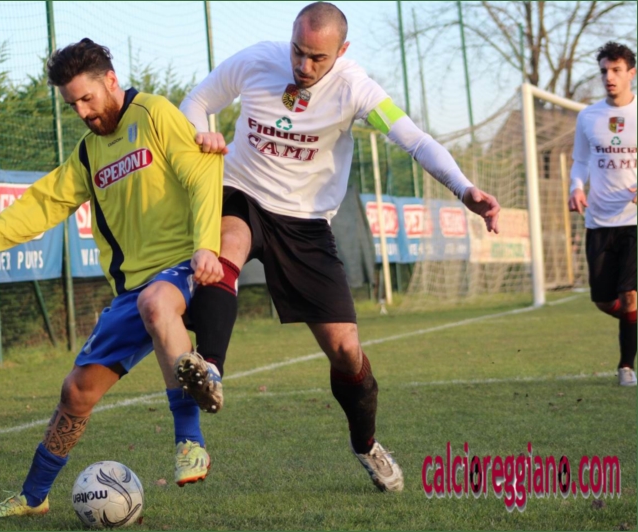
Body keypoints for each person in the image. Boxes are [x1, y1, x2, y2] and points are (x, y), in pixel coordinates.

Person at [174, 2, 501, 493]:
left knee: (347, 351)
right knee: (228, 245)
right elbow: (197, 100)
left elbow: (415, 140)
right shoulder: (256, 60)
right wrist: (200, 131)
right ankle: (211, 371)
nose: (303, 66)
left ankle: (366, 444)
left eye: (317, 58)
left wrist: (464, 189)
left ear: (341, 51)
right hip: (241, 190)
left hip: (305, 223)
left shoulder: (356, 87)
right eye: (297, 52)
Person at [0, 38, 224, 520]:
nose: (82, 112)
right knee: (76, 392)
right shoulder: (89, 153)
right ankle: (33, 497)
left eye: (87, 99)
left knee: (157, 304)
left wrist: (206, 245)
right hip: (130, 289)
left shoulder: (153, 114)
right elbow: (45, 201)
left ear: (111, 81)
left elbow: (201, 174)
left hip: (183, 266)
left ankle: (189, 442)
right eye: (72, 104)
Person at [568, 41, 637, 386]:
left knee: (629, 294)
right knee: (604, 300)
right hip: (598, 220)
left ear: (631, 74)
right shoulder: (588, 116)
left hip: (633, 220)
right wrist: (576, 187)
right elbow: (580, 161)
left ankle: (626, 367)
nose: (609, 77)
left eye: (616, 70)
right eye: (604, 71)